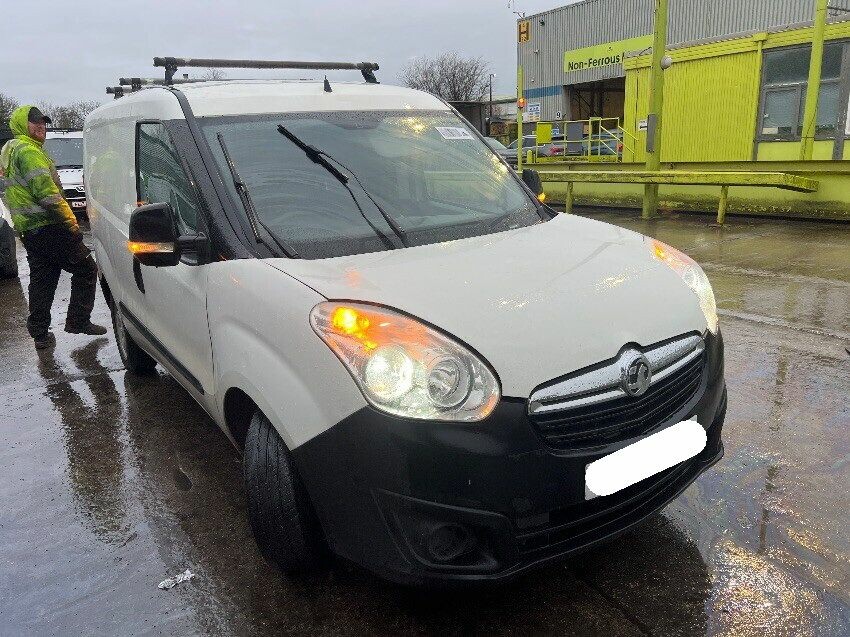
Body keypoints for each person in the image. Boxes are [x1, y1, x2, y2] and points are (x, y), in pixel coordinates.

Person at [0, 105, 106, 349]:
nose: (41, 127)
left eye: (44, 123)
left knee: (43, 279)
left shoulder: (9, 150)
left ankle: (39, 333)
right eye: (35, 122)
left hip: (29, 228)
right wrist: (71, 223)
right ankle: (78, 321)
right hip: (49, 225)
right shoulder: (29, 152)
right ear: (21, 124)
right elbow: (48, 195)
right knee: (86, 269)